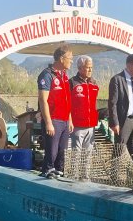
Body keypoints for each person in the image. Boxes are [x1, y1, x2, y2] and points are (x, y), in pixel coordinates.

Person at [38, 44, 73, 178]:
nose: (71, 61)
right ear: (61, 58)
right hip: (53, 119)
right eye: (70, 58)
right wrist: (48, 123)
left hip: (64, 120)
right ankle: (47, 170)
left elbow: (67, 100)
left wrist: (69, 119)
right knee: (51, 150)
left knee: (62, 151)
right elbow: (43, 100)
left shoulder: (64, 76)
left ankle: (58, 170)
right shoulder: (47, 75)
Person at [108, 54, 133, 156]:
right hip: (123, 121)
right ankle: (116, 172)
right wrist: (114, 122)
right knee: (119, 152)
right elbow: (112, 103)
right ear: (129, 65)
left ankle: (131, 172)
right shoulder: (117, 79)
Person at [69, 55, 100, 180]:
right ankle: (74, 177)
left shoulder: (94, 83)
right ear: (80, 68)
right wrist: (69, 120)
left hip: (91, 125)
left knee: (87, 153)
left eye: (91, 68)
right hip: (77, 124)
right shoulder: (72, 82)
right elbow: (67, 104)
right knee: (76, 153)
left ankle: (85, 177)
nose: (90, 70)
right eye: (88, 68)